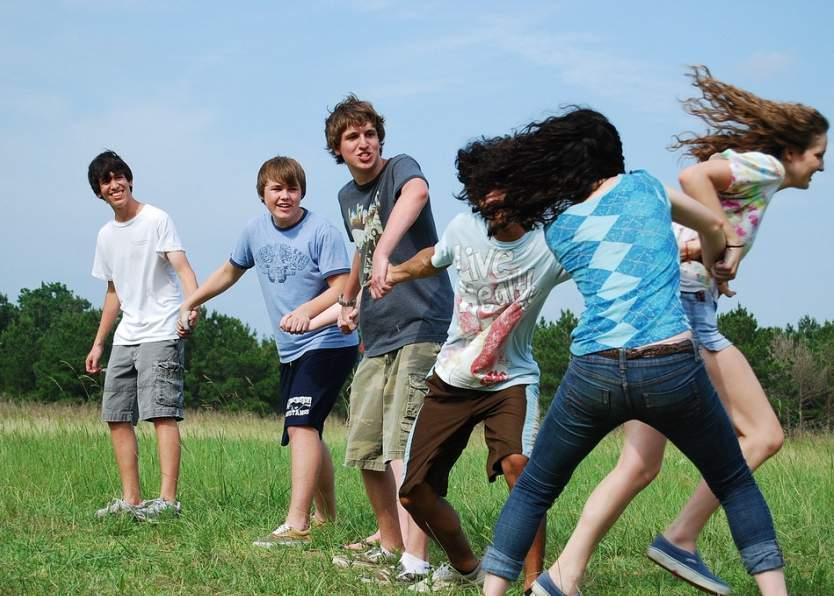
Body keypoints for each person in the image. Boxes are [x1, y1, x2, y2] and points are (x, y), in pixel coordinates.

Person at [468, 108, 788, 596]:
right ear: (613, 156)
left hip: (593, 373)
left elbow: (608, 254)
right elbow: (715, 226)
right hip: (670, 366)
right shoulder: (646, 188)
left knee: (534, 489)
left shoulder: (562, 229)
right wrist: (715, 258)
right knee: (734, 482)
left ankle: (493, 591)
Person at [546, 66, 828, 596]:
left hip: (673, 305)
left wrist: (715, 251)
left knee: (639, 463)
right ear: (792, 152)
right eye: (817, 154)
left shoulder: (764, 175)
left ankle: (562, 577)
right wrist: (720, 242)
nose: (821, 165)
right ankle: (680, 537)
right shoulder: (766, 167)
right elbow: (695, 178)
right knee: (763, 434)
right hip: (686, 311)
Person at [377, 166, 568, 590]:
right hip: (452, 378)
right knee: (413, 493)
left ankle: (535, 581)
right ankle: (466, 565)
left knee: (520, 466)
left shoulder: (549, 245)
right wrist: (394, 272)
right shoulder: (464, 228)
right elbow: (435, 256)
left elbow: (599, 259)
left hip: (511, 379)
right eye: (481, 195)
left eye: (498, 193)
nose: (489, 204)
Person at [176, 156, 358, 546]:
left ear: (302, 192)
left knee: (300, 425)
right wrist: (192, 301)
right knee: (308, 428)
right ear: (263, 194)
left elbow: (343, 288)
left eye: (292, 188)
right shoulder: (254, 231)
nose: (285, 196)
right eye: (277, 189)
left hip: (329, 341)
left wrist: (307, 312)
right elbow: (229, 271)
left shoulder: (321, 231)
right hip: (290, 348)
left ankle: (297, 524)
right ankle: (328, 516)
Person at [324, 95, 454, 582]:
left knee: (404, 445)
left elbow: (417, 195)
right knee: (365, 447)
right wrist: (349, 299)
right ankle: (390, 540)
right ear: (338, 147)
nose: (364, 143)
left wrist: (384, 255)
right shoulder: (345, 197)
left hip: (421, 324)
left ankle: (415, 562)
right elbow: (362, 246)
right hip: (376, 331)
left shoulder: (401, 169)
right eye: (352, 137)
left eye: (369, 133)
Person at [85, 150, 198, 521]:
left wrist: (190, 306)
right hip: (126, 336)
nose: (115, 184)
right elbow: (114, 291)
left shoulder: (156, 219)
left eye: (119, 177)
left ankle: (166, 503)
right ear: (99, 192)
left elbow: (182, 268)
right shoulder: (105, 236)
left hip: (162, 329)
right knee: (117, 416)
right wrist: (99, 342)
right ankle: (131, 500)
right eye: (106, 180)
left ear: (129, 181)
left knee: (162, 413)